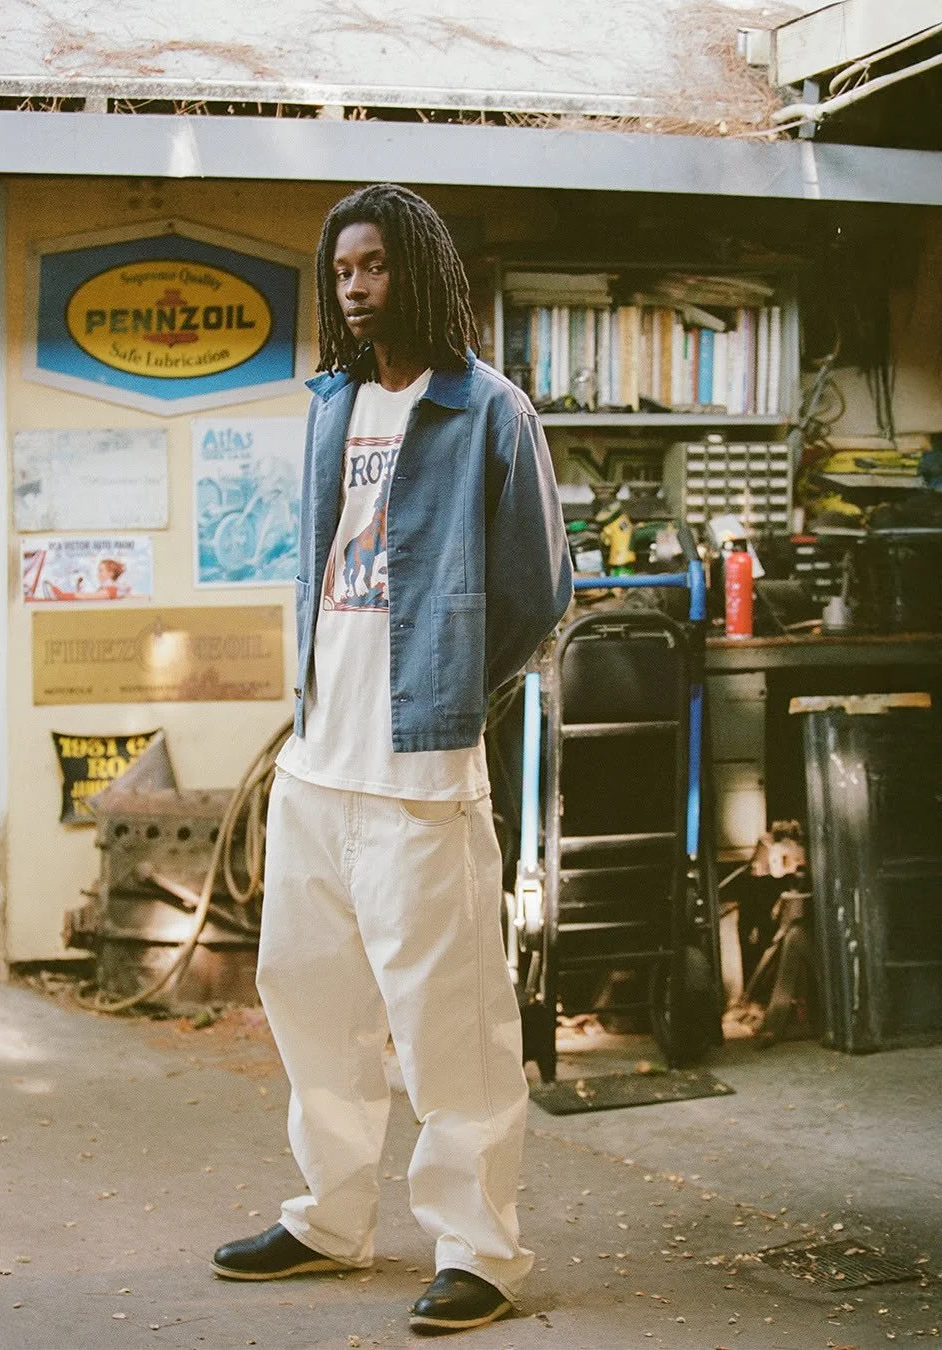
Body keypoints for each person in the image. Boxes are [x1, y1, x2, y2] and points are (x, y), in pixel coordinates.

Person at [211, 183, 572, 1335]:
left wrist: (452, 688)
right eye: (343, 272)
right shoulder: (329, 406)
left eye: (373, 266)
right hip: (320, 769)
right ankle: (329, 1218)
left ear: (419, 269)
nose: (357, 289)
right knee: (312, 1005)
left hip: (423, 779)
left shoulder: (490, 411)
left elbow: (536, 590)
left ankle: (481, 1251)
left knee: (450, 1029)